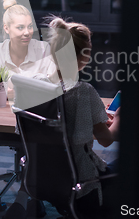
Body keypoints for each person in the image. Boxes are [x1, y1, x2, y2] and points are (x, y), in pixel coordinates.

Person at [45, 16, 120, 217]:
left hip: (47, 175)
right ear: (83, 55)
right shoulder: (82, 91)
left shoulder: (38, 87)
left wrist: (94, 114)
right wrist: (120, 119)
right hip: (82, 177)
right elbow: (106, 140)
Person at [0, 0, 56, 98]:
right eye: (20, 27)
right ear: (6, 28)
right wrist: (2, 93)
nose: (27, 32)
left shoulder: (43, 49)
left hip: (35, 111)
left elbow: (56, 86)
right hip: (2, 110)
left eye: (30, 26)